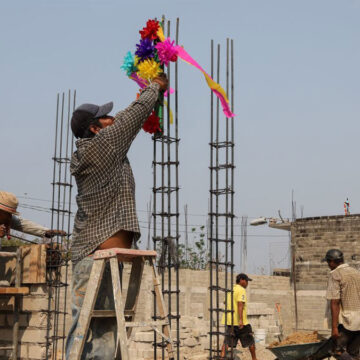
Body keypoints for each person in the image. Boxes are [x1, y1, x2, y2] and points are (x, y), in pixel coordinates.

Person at [65, 75, 168, 359]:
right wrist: (154, 88)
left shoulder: (100, 144)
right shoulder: (104, 145)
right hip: (94, 255)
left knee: (105, 333)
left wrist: (145, 96)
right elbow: (130, 118)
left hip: (105, 257)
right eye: (105, 117)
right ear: (95, 128)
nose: (112, 118)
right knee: (87, 334)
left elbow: (124, 117)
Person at [324, 249, 360, 360]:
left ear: (332, 262)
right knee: (354, 353)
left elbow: (335, 302)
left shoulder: (335, 274)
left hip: (347, 321)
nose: (328, 265)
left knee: (336, 350)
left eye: (328, 262)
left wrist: (334, 328)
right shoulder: (356, 272)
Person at [220, 273, 258, 360]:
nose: (247, 283)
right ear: (241, 280)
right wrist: (240, 320)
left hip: (230, 322)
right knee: (251, 342)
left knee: (227, 342)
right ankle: (254, 359)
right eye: (246, 281)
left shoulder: (231, 290)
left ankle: (221, 358)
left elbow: (225, 302)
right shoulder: (241, 290)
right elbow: (240, 304)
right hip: (241, 323)